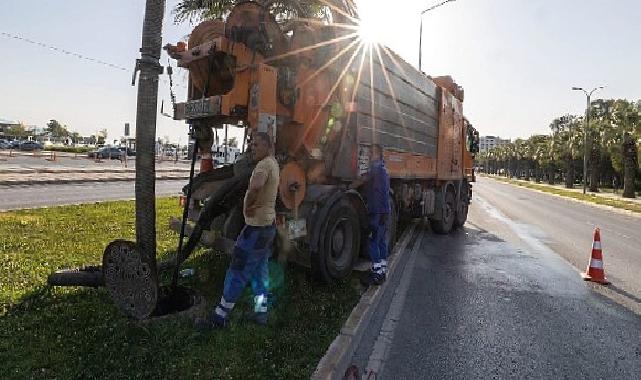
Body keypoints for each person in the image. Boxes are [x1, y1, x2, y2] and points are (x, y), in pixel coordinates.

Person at [198, 132, 280, 329]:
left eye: (257, 144)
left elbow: (255, 187)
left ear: (268, 147)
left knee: (238, 269)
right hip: (267, 228)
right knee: (260, 272)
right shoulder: (274, 163)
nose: (252, 147)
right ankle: (261, 313)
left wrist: (249, 204)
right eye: (251, 144)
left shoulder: (263, 166)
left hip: (255, 230)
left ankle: (220, 316)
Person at [352, 144, 391, 286]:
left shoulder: (375, 169)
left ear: (377, 154)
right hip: (385, 212)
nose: (369, 156)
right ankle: (382, 271)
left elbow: (363, 179)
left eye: (371, 153)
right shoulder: (384, 169)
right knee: (381, 242)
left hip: (377, 213)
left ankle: (376, 274)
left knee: (373, 242)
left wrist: (349, 187)